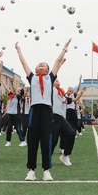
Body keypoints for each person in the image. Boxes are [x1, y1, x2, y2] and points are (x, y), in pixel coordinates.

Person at [15, 39, 70, 181]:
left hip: (47, 111)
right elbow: (24, 63)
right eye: (39, 64)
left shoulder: (50, 78)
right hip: (34, 111)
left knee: (46, 141)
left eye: (44, 64)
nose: (41, 64)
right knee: (32, 141)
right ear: (35, 69)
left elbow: (57, 62)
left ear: (47, 69)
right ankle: (31, 170)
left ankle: (46, 171)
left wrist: (64, 48)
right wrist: (19, 51)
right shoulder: (32, 78)